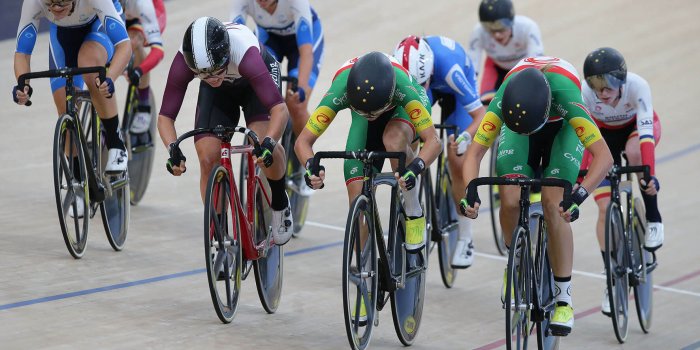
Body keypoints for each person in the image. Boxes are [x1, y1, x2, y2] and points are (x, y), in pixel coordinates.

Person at [459, 56, 613, 336]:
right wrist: (470, 189)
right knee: (508, 200)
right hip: (519, 126)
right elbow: (475, 153)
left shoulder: (568, 97)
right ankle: (515, 262)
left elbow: (604, 157)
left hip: (560, 130)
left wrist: (578, 195)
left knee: (554, 207)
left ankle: (564, 298)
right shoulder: (503, 101)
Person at [157, 17, 294, 245]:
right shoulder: (186, 60)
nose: (211, 78)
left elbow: (280, 110)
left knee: (261, 140)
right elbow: (165, 117)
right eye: (203, 74)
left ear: (226, 55)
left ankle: (280, 204)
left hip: (254, 83)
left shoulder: (246, 54)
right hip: (220, 94)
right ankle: (219, 234)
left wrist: (269, 143)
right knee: (208, 157)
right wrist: (173, 150)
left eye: (216, 71)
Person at [578, 47, 664, 316]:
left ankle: (653, 217)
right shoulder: (584, 94)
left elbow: (647, 134)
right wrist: (582, 177)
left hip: (636, 130)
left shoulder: (638, 86)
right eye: (596, 86)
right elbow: (583, 140)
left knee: (637, 152)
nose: (602, 93)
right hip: (603, 139)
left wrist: (649, 174)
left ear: (622, 78)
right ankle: (611, 279)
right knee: (604, 208)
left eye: (608, 85)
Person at [393, 35, 486, 268]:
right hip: (429, 84)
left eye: (422, 83)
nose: (420, 89)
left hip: (455, 91)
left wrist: (465, 136)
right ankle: (412, 196)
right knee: (408, 135)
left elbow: (480, 115)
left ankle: (466, 238)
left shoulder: (451, 69)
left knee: (457, 159)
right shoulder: (400, 68)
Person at [13, 0, 132, 174]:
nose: (55, 8)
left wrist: (110, 78)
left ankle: (116, 143)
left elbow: (124, 45)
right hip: (62, 36)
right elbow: (22, 52)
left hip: (98, 26)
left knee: (89, 64)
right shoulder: (34, 1)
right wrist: (23, 84)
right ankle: (78, 179)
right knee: (65, 107)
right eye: (49, 3)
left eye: (61, 1)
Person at [230, 0, 323, 140]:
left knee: (297, 105)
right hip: (269, 39)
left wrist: (301, 89)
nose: (260, 2)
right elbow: (234, 39)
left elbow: (306, 54)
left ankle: (305, 153)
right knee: (263, 95)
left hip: (301, 44)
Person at [467, 0, 544, 104]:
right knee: (487, 105)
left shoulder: (528, 27)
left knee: (528, 102)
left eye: (501, 27)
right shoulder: (478, 32)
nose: (496, 35)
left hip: (524, 68)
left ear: (511, 21)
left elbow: (536, 62)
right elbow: (472, 69)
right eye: (489, 28)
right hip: (496, 68)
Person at [118, 0, 167, 134]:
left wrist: (139, 71)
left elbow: (158, 50)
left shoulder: (142, 4)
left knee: (134, 40)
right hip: (119, 14)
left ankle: (144, 103)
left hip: (147, 13)